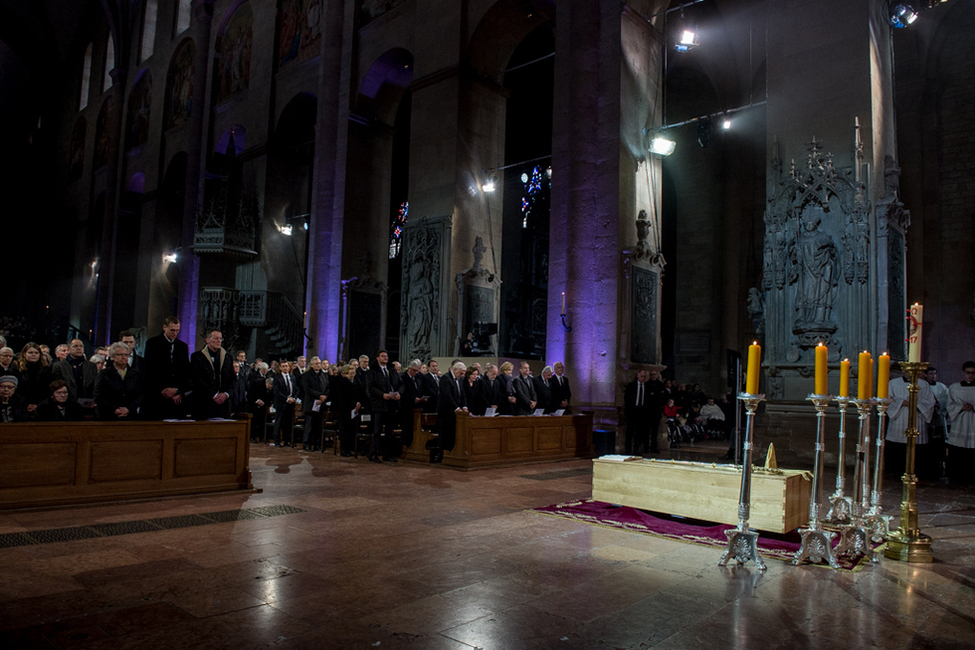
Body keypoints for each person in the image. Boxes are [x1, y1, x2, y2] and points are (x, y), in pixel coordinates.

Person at [886, 371, 936, 480]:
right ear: (903, 370)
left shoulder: (923, 384)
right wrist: (901, 402)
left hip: (917, 419)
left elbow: (930, 401)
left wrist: (915, 404)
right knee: (898, 450)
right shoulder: (893, 383)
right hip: (898, 419)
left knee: (916, 448)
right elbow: (887, 399)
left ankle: (916, 473)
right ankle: (896, 472)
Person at [142, 317, 191, 420]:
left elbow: (185, 372)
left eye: (177, 330)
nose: (175, 333)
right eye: (172, 330)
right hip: (157, 395)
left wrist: (177, 390)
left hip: (177, 397)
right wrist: (164, 390)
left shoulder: (182, 347)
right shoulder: (153, 344)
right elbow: (150, 371)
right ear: (164, 327)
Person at [189, 330, 235, 419]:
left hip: (224, 406)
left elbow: (233, 379)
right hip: (204, 404)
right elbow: (196, 379)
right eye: (215, 338)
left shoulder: (228, 357)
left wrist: (226, 394)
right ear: (207, 340)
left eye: (220, 338)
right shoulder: (197, 357)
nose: (219, 341)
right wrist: (214, 394)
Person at [366, 349, 402, 463]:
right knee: (376, 431)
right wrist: (382, 395)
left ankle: (387, 454)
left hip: (391, 405)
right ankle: (373, 454)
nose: (385, 358)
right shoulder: (373, 371)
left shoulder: (391, 370)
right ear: (377, 358)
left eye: (386, 356)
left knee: (389, 431)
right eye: (382, 356)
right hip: (379, 405)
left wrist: (399, 393)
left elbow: (400, 383)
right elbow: (371, 388)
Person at [94, 342, 143, 419]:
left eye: (126, 355)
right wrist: (114, 409)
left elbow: (140, 395)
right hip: (108, 415)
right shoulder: (104, 373)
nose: (123, 357)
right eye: (119, 355)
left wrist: (128, 409)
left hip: (129, 415)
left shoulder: (135, 374)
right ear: (112, 357)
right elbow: (98, 396)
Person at [947, 361, 975, 485]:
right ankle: (956, 477)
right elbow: (949, 405)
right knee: (958, 451)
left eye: (973, 373)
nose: (970, 375)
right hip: (960, 421)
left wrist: (973, 406)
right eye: (968, 373)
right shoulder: (954, 387)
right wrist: (960, 407)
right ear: (963, 373)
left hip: (973, 421)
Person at [434, 361, 468, 463]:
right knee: (445, 434)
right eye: (461, 373)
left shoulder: (459, 380)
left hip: (456, 414)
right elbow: (447, 396)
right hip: (446, 412)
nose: (462, 376)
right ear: (455, 370)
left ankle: (452, 453)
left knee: (453, 434)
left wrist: (465, 406)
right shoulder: (446, 378)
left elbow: (462, 395)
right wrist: (456, 408)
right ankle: (442, 454)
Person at [50, 338, 99, 406]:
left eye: (81, 346)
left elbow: (95, 385)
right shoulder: (59, 366)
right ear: (69, 349)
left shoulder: (91, 366)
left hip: (87, 402)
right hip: (67, 403)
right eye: (75, 346)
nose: (79, 348)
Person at [14, 342, 52, 417]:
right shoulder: (16, 367)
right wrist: (25, 404)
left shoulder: (46, 369)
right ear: (24, 354)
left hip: (41, 405)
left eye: (36, 353)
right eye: (30, 352)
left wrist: (38, 405)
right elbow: (15, 389)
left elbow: (48, 389)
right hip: (20, 404)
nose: (33, 354)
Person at [331, 363, 361, 457]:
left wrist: (358, 403)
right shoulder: (342, 383)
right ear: (346, 374)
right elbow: (342, 397)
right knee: (344, 430)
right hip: (344, 410)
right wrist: (353, 403)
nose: (352, 375)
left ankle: (349, 449)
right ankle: (343, 450)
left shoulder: (356, 382)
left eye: (353, 373)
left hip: (354, 410)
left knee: (352, 430)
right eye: (350, 374)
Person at [300, 356, 329, 451]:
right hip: (311, 403)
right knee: (310, 425)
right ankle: (307, 444)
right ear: (312, 365)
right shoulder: (307, 375)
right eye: (316, 363)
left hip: (321, 403)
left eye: (319, 363)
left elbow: (327, 387)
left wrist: (324, 397)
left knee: (319, 426)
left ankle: (317, 444)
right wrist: (318, 396)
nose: (318, 365)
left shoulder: (323, 375)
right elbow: (307, 389)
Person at [271, 360, 300, 446]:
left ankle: (287, 440)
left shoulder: (292, 377)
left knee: (289, 422)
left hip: (290, 404)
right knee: (279, 422)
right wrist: (286, 399)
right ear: (280, 368)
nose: (285, 368)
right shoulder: (277, 378)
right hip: (281, 403)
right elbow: (276, 391)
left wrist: (293, 398)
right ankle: (277, 441)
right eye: (283, 366)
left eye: (286, 366)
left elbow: (296, 389)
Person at [624, 370, 653, 456]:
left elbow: (648, 400)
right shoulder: (631, 386)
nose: (642, 378)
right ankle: (628, 449)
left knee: (639, 431)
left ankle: (636, 448)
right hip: (632, 411)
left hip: (642, 411)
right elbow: (627, 398)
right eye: (641, 376)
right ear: (637, 376)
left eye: (644, 377)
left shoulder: (647, 387)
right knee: (629, 431)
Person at [400, 359, 427, 447]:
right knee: (407, 428)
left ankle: (415, 445)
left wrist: (422, 397)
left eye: (417, 370)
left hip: (417, 407)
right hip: (406, 407)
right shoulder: (403, 377)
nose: (415, 372)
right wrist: (412, 399)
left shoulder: (418, 377)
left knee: (415, 428)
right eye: (413, 370)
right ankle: (406, 447)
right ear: (409, 369)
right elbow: (402, 393)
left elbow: (421, 389)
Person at [247, 361, 272, 443]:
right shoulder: (254, 378)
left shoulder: (268, 377)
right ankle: (252, 437)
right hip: (254, 403)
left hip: (263, 403)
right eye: (264, 369)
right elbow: (250, 392)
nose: (266, 371)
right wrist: (257, 400)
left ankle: (262, 436)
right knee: (254, 421)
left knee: (262, 421)